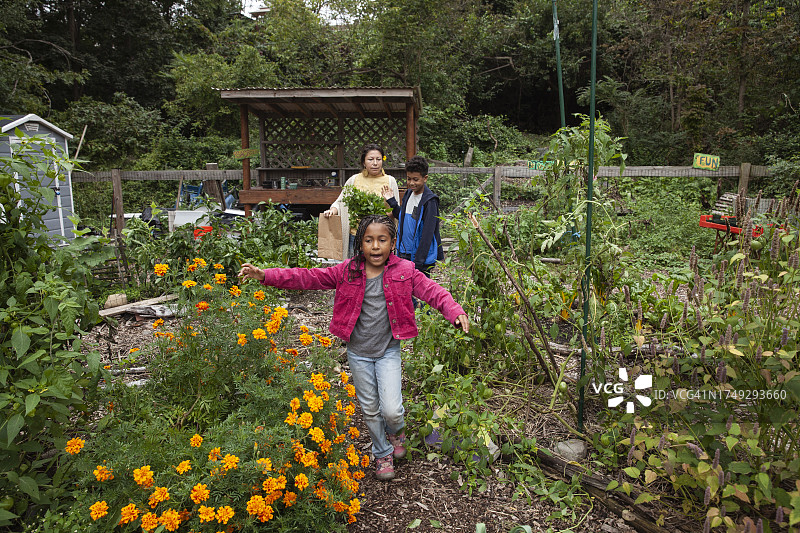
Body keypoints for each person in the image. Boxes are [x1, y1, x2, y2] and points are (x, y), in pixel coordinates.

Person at [238, 214, 469, 481]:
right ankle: (382, 451)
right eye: (368, 240)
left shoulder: (405, 270)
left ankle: (396, 430)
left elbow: (433, 291)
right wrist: (265, 275)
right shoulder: (347, 271)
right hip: (358, 353)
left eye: (382, 240)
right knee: (370, 409)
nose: (375, 246)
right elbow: (308, 277)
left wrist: (454, 310)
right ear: (359, 244)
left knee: (392, 410)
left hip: (388, 351)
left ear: (392, 243)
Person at [322, 144, 400, 259]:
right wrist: (332, 210)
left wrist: (385, 216)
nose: (375, 163)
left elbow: (396, 209)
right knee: (355, 269)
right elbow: (340, 201)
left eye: (378, 159)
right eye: (370, 159)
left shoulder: (390, 181)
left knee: (378, 270)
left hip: (380, 236)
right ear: (364, 162)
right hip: (356, 234)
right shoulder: (354, 180)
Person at [382, 155, 443, 278]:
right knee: (403, 288)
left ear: (425, 178)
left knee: (419, 289)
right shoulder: (409, 193)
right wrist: (392, 201)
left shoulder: (430, 201)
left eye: (415, 179)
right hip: (403, 252)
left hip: (418, 256)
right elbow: (404, 217)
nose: (411, 183)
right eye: (408, 179)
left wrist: (419, 262)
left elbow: (428, 233)